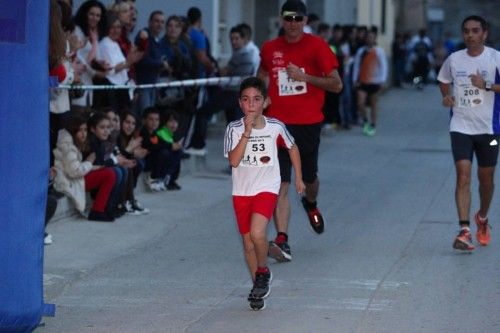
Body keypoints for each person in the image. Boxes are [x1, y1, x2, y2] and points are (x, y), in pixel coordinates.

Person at [257, 0, 342, 262]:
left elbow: (336, 84)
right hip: (277, 125)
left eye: (297, 18)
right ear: (282, 20)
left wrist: (304, 77)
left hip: (307, 125)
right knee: (279, 184)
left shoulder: (317, 46)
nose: (292, 23)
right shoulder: (270, 48)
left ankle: (311, 204)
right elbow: (262, 74)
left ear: (305, 21)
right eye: (288, 18)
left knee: (309, 181)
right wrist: (262, 96)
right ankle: (282, 240)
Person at [224, 77, 305, 310]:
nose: (251, 105)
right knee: (248, 243)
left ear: (265, 102)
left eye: (256, 100)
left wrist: (298, 177)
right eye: (246, 100)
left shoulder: (275, 127)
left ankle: (262, 271)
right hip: (242, 191)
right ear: (240, 103)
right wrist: (247, 132)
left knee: (258, 233)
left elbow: (293, 148)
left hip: (267, 187)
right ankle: (257, 288)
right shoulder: (234, 129)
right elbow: (234, 160)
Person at [438, 15, 500, 251]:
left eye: (475, 31)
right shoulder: (454, 59)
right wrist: (446, 96)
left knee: (486, 180)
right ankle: (464, 231)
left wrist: (484, 85)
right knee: (463, 175)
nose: (470, 35)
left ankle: (482, 218)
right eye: (466, 31)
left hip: (490, 129)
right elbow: (443, 80)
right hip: (461, 126)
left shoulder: (495, 58)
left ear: (484, 33)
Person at [53, 111, 117, 222]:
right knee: (109, 174)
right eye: (79, 130)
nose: (83, 134)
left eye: (85, 130)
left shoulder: (74, 142)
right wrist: (89, 162)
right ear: (72, 131)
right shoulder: (67, 145)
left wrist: (93, 167)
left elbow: (77, 167)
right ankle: (97, 211)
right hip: (68, 182)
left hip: (74, 178)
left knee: (109, 171)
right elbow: (74, 172)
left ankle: (106, 208)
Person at [352, 28, 388, 136]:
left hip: (375, 82)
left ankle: (373, 124)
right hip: (363, 81)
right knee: (360, 103)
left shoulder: (379, 51)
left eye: (371, 37)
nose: (369, 39)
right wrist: (354, 79)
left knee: (373, 105)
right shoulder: (361, 51)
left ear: (374, 39)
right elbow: (357, 66)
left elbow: (384, 66)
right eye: (368, 37)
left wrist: (382, 80)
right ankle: (365, 120)